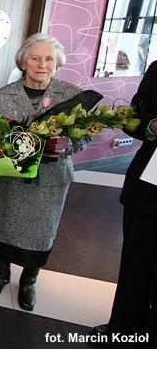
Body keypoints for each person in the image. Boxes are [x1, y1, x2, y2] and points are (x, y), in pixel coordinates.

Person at [0, 33, 81, 311]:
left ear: (57, 63)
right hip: (10, 176)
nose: (42, 64)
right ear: (23, 62)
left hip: (51, 178)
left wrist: (67, 145)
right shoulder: (4, 95)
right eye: (35, 58)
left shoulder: (72, 95)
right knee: (3, 225)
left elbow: (84, 136)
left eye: (49, 59)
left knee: (41, 232)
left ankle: (29, 280)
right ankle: (1, 273)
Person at [91, 60, 157, 347]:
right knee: (136, 264)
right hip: (150, 186)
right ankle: (123, 329)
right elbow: (135, 117)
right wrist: (153, 124)